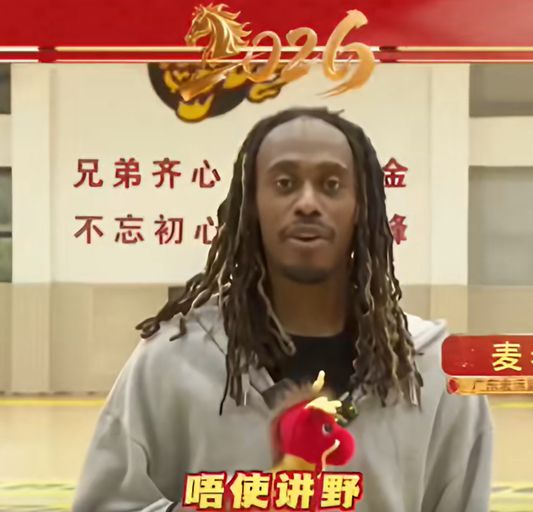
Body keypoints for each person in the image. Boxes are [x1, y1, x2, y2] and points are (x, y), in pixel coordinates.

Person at [72, 107, 492, 512]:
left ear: (361, 208)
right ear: (252, 205)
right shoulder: (169, 362)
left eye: (331, 184)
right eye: (285, 183)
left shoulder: (436, 373)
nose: (307, 203)